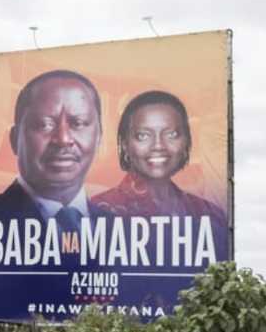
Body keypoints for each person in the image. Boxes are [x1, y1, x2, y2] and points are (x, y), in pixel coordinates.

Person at [92, 90, 229, 257]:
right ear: (125, 145)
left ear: (187, 142)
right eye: (143, 135)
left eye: (171, 134)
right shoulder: (96, 212)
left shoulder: (210, 214)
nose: (158, 145)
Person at [0, 69, 106, 235]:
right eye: (44, 124)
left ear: (99, 139)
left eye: (79, 123)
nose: (63, 139)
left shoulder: (122, 232)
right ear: (14, 139)